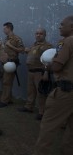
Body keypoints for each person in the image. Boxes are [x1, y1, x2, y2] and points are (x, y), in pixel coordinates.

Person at [34, 16, 73, 155]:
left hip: (64, 92)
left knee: (48, 126)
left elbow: (56, 66)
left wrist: (47, 66)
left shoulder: (68, 41)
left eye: (62, 24)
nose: (59, 27)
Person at [17, 28, 52, 120]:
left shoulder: (47, 46)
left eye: (40, 34)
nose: (38, 35)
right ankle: (29, 107)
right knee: (30, 91)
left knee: (41, 92)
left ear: (45, 35)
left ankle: (42, 112)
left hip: (39, 72)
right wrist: (28, 51)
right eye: (36, 33)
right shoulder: (34, 45)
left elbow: (49, 61)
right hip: (30, 72)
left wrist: (46, 72)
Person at [0, 22, 25, 108]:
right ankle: (8, 98)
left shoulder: (17, 39)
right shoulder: (6, 39)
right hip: (5, 63)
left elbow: (22, 50)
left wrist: (11, 46)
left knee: (7, 82)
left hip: (11, 63)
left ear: (9, 28)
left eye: (4, 28)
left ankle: (4, 101)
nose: (3, 30)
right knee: (6, 81)